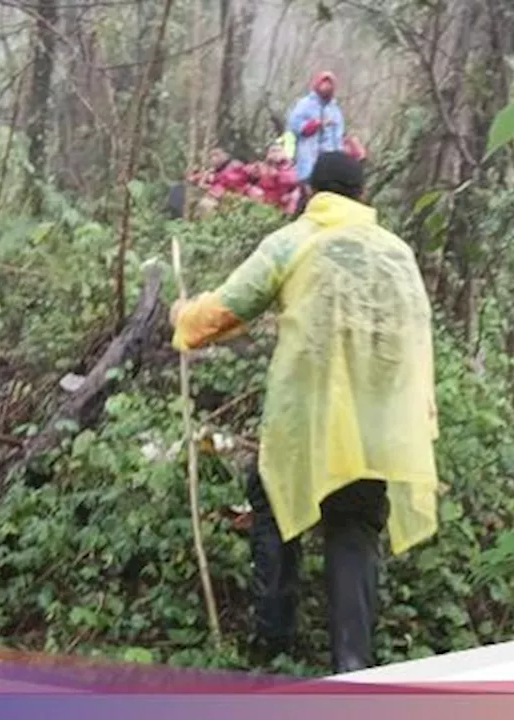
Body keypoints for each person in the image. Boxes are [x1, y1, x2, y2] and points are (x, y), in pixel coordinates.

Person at [169, 152, 440, 673]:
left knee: (273, 501)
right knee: (354, 528)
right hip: (376, 430)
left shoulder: (294, 241)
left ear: (312, 192)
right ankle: (353, 662)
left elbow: (228, 307)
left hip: (306, 423)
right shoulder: (397, 255)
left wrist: (185, 317)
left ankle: (273, 641)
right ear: (363, 197)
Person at [286, 71, 345, 185]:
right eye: (323, 83)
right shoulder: (305, 104)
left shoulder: (335, 109)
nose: (326, 87)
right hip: (309, 159)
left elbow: (338, 136)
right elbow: (294, 125)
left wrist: (339, 157)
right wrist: (316, 124)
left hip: (330, 162)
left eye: (329, 84)